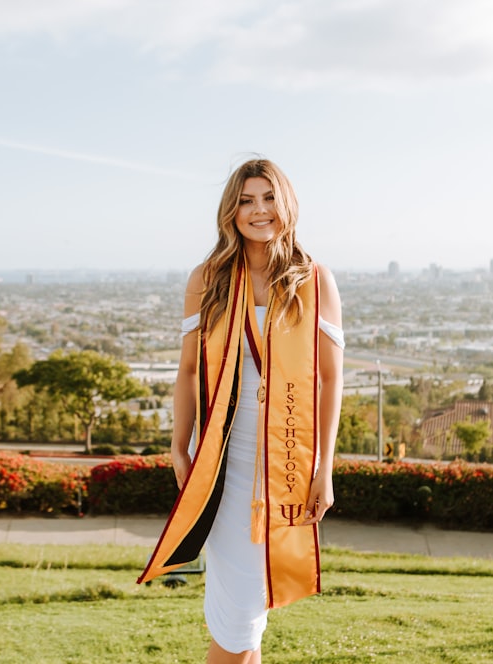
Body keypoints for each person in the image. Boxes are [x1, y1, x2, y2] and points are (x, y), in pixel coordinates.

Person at [139, 158, 344, 663]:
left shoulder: (314, 280)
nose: (259, 211)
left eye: (269, 198)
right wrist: (177, 445)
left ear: (287, 204)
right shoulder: (208, 278)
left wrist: (325, 468)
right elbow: (188, 371)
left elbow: (329, 377)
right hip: (221, 460)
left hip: (285, 461)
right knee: (238, 618)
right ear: (231, 210)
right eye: (247, 200)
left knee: (249, 614)